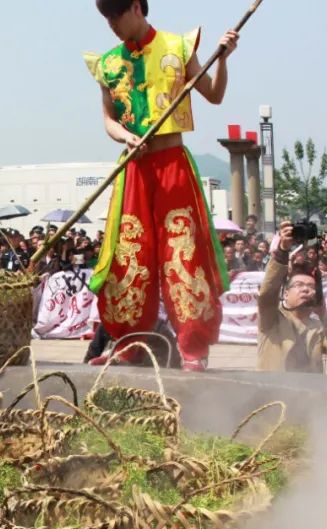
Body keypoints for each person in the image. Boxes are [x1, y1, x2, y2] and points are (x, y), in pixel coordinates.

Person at [85, 0, 238, 371]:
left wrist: (223, 57)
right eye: (106, 18)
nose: (111, 25)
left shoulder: (177, 47)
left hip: (172, 165)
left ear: (136, 7)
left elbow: (214, 95)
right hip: (134, 168)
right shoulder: (107, 64)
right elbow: (108, 120)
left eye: (116, 15)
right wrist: (125, 136)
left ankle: (193, 349)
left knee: (181, 252)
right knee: (131, 253)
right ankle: (127, 344)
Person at [256, 222, 327, 373]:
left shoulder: (318, 327)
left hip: (307, 394)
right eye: (299, 285)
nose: (306, 289)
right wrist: (282, 251)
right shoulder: (272, 319)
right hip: (273, 392)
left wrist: (324, 315)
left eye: (311, 287)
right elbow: (267, 294)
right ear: (286, 294)